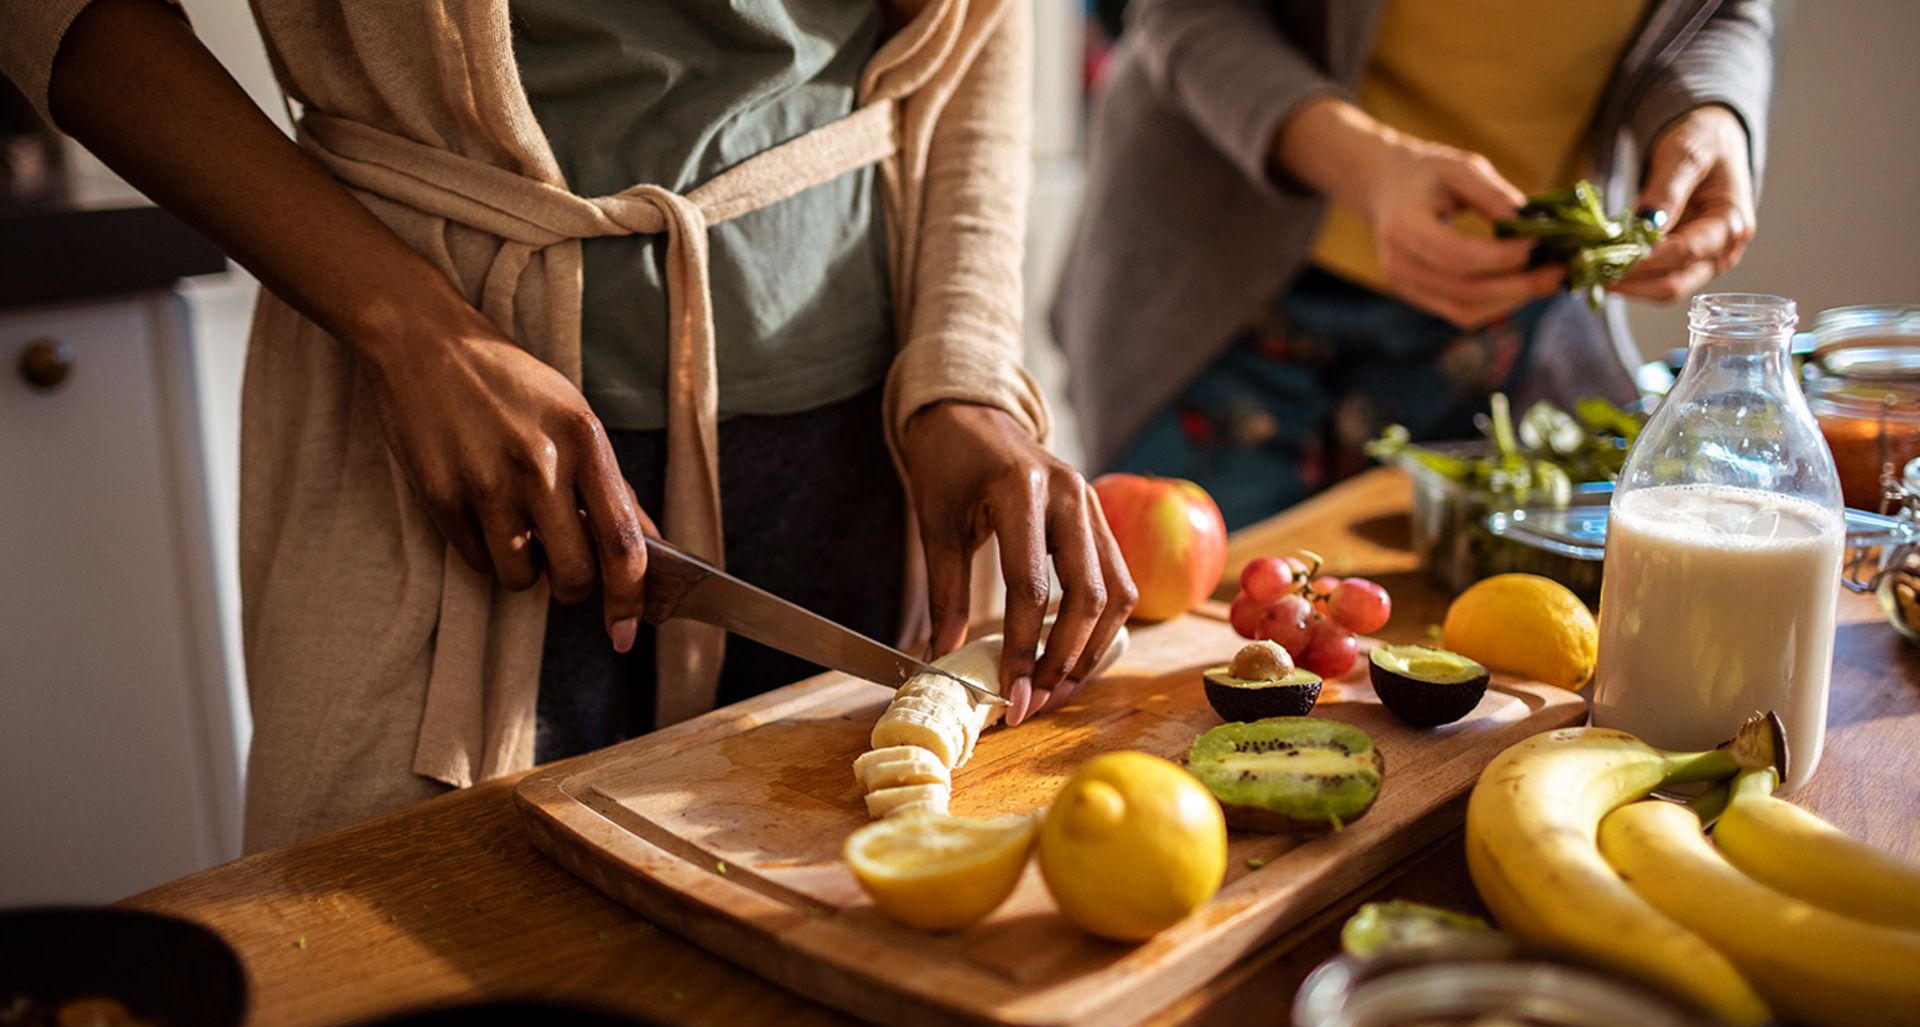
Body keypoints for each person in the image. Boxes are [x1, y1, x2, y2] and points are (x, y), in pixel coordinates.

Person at [2, 0, 1134, 850]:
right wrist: (408, 327)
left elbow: (983, 33)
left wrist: (967, 371)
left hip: (865, 460)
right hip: (441, 465)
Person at [1053, 0, 1772, 528]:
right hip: (1218, 298)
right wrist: (1366, 168)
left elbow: (1724, 15)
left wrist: (1709, 115)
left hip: (1508, 324)